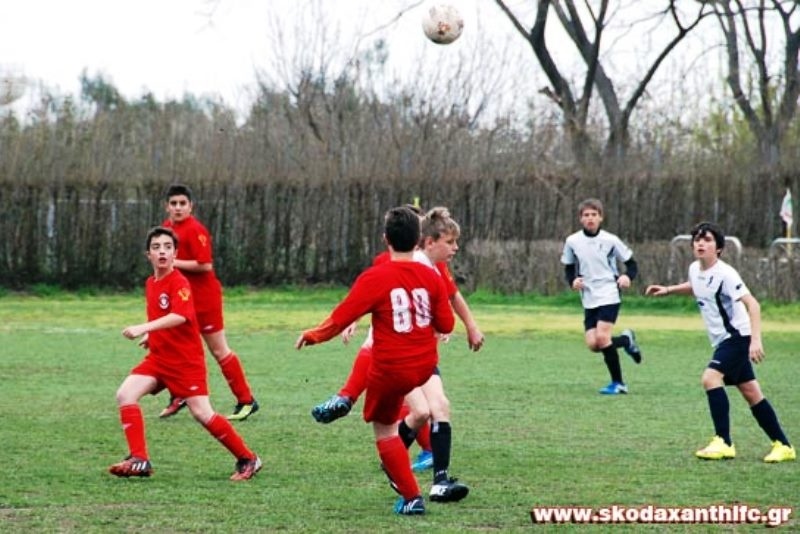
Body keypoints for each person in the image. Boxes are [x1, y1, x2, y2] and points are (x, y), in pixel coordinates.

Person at [311, 207, 480, 503]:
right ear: (426, 241)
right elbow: (364, 296)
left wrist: (469, 326)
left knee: (438, 407)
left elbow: (450, 301)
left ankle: (439, 482)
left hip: (419, 356)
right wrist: (351, 321)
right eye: (450, 242)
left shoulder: (435, 269)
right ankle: (349, 401)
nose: (455, 248)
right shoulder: (394, 264)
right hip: (396, 355)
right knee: (419, 412)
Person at [108, 226, 261, 480]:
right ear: (148, 255)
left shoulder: (180, 282)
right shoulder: (151, 282)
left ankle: (248, 458)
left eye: (168, 247)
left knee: (202, 413)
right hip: (159, 359)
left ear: (175, 253)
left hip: (185, 363)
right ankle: (140, 459)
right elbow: (163, 316)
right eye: (156, 248)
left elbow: (181, 316)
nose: (162, 252)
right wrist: (151, 336)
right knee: (125, 394)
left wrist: (142, 328)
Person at [645, 221, 795, 463]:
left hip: (737, 337)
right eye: (697, 239)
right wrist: (669, 289)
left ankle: (723, 442)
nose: (700, 243)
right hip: (723, 341)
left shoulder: (726, 274)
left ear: (719, 249)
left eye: (707, 240)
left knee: (710, 378)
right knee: (751, 393)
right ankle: (784, 445)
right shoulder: (695, 268)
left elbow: (753, 304)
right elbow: (697, 287)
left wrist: (756, 341)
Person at [159, 184, 258, 421]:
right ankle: (179, 395)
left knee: (218, 350)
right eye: (174, 203)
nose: (178, 207)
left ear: (191, 206)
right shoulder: (166, 229)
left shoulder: (196, 230)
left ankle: (246, 400)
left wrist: (173, 262)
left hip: (205, 300)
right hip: (182, 301)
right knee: (173, 348)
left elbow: (205, 265)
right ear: (167, 206)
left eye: (183, 203)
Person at [560, 198, 642, 395]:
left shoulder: (610, 240)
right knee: (593, 344)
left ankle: (619, 383)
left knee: (603, 337)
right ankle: (625, 341)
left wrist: (626, 277)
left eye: (594, 215)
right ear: (580, 219)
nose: (590, 219)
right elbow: (569, 268)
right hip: (588, 296)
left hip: (609, 292)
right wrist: (573, 281)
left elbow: (632, 264)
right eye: (586, 215)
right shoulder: (572, 241)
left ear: (601, 217)